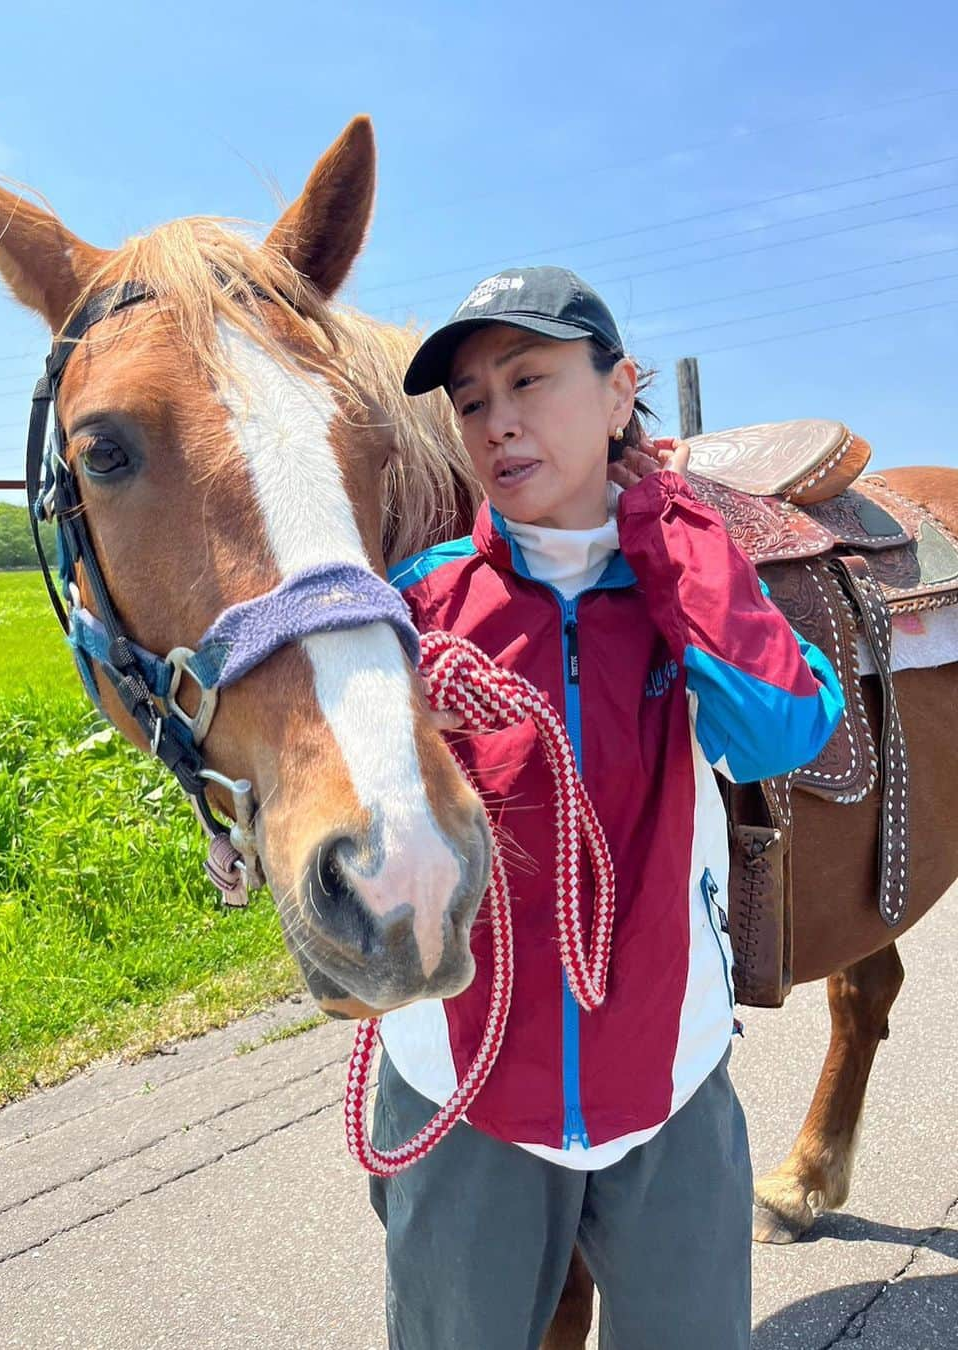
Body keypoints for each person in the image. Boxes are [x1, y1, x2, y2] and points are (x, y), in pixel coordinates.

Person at [368, 266, 845, 1350]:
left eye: (529, 380)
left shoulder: (684, 578)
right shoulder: (416, 606)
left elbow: (778, 730)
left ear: (620, 388)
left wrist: (670, 540)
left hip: (666, 1083)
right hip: (460, 1090)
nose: (498, 423)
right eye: (473, 401)